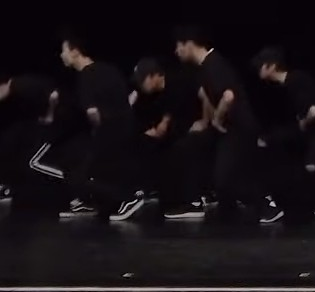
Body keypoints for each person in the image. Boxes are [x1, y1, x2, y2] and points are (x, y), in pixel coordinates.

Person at [174, 26, 280, 223]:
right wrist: (205, 122)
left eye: (179, 46)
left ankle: (266, 205)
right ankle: (198, 201)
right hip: (226, 127)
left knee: (226, 178)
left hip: (239, 128)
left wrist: (216, 119)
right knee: (190, 145)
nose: (176, 51)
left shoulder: (214, 63)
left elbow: (228, 96)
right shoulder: (202, 67)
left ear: (189, 44)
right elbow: (206, 95)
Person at [57, 32, 145, 221]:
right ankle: (90, 202)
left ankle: (128, 199)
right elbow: (130, 97)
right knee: (99, 171)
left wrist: (99, 132)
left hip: (109, 132)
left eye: (64, 50)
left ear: (75, 51)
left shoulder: (86, 76)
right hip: (127, 129)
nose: (61, 55)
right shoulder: (109, 69)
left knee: (77, 172)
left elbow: (92, 112)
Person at [252, 47, 315, 217]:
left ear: (272, 66)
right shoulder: (286, 84)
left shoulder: (296, 81)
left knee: (294, 155)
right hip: (310, 132)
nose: (258, 70)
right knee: (271, 140)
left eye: (261, 66)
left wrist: (303, 123)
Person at [130, 57, 207, 219]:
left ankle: (194, 202)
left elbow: (204, 96)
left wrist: (205, 121)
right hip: (175, 133)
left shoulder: (180, 82)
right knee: (144, 143)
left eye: (142, 81)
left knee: (182, 149)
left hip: (193, 130)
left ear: (152, 76)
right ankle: (149, 190)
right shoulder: (152, 96)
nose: (140, 86)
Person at [0, 71, 64, 212]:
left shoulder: (20, 85)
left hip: (57, 120)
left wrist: (49, 115)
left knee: (32, 160)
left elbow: (54, 94)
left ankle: (69, 179)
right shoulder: (17, 91)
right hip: (36, 122)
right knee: (12, 143)